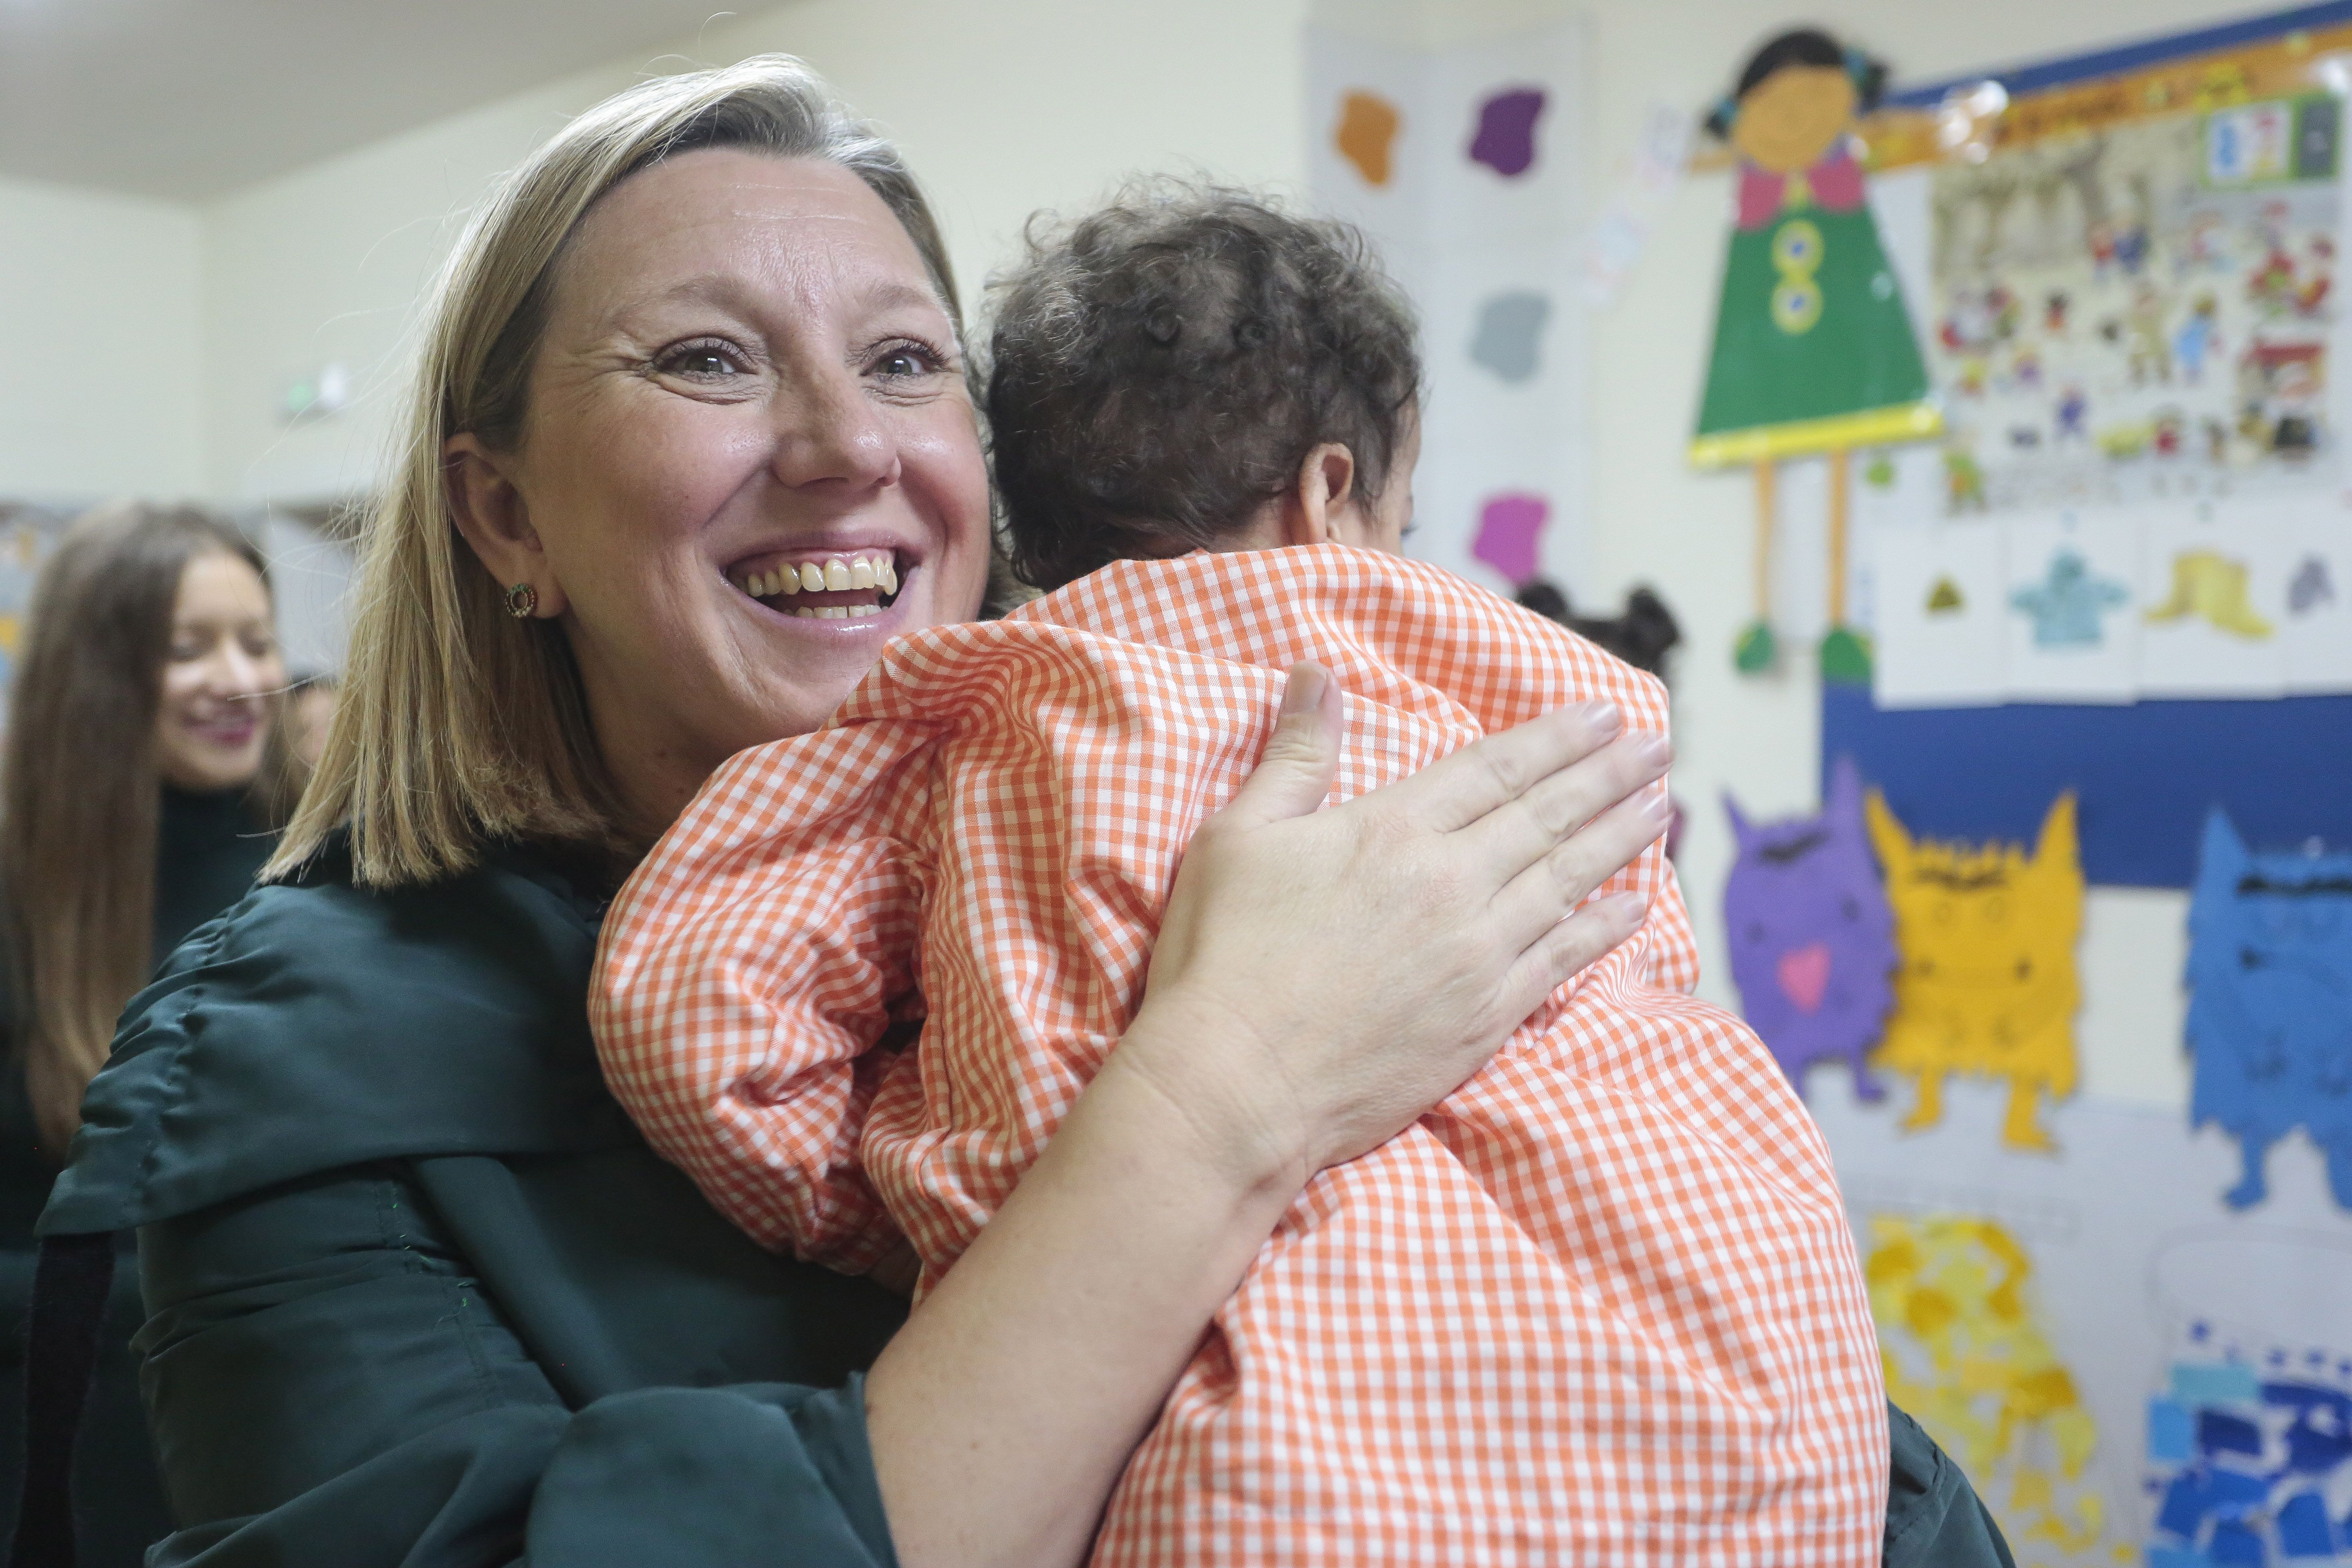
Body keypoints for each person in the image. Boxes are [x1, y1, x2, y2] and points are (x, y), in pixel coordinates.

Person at [27, 58, 2010, 1568]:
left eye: (906, 363)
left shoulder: (1245, 833)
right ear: (505, 514)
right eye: (709, 359)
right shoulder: (306, 1065)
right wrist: (1226, 1096)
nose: (844, 448)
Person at [594, 187, 1885, 1563]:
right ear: (1333, 491)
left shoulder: (977, 704)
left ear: (1024, 537)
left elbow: (694, 1016)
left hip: (1283, 1472)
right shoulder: (1556, 689)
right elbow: (1644, 979)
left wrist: (883, 1194)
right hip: (1751, 1413)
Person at [1, 504, 297, 1566]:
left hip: (287, 1439)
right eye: (189, 649)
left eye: (257, 640)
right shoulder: (23, 900)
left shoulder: (328, 867)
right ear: (99, 674)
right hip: (83, 1455)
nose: (239, 677)